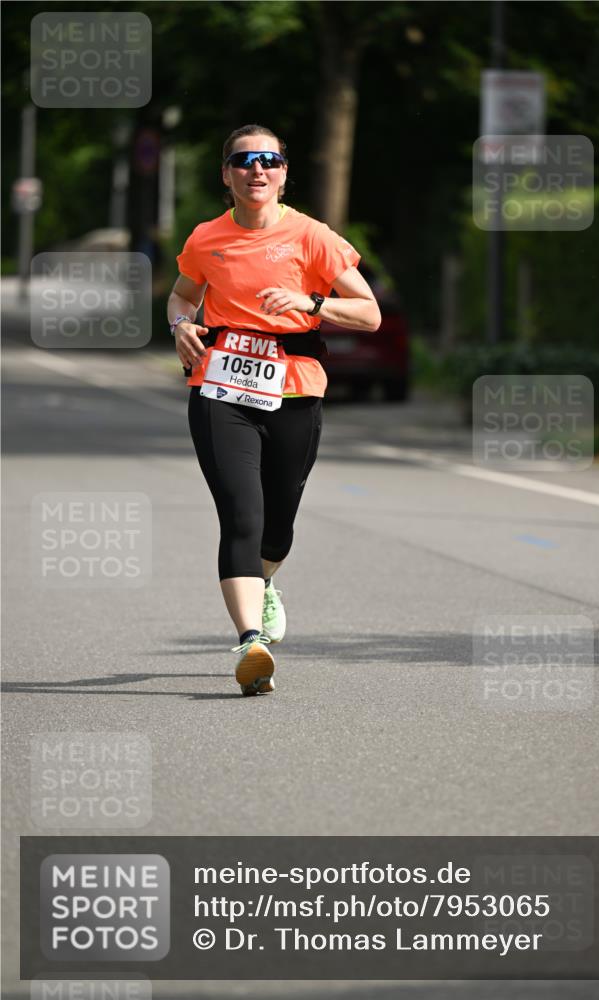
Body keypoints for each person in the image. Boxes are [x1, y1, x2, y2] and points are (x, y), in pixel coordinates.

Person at [167, 124, 381, 696]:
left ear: (284, 172)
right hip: (220, 391)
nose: (256, 170)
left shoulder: (313, 238)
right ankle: (249, 643)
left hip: (295, 390)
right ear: (227, 175)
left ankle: (264, 586)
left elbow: (369, 313)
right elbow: (183, 294)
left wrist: (312, 302)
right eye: (243, 161)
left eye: (269, 160)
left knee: (278, 522)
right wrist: (179, 326)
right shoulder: (207, 239)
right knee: (241, 512)